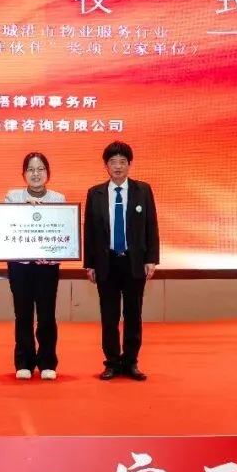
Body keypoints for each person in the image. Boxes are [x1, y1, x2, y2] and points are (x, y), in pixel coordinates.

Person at [83, 141, 159, 381]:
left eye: (122, 162)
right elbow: (89, 231)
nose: (118, 166)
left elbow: (151, 226)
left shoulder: (142, 190)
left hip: (133, 262)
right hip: (106, 263)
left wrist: (151, 259)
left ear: (129, 164)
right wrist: (89, 263)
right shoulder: (95, 193)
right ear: (106, 166)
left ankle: (131, 362)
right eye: (113, 162)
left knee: (133, 315)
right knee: (109, 316)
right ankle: (112, 363)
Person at [4, 152, 65, 380]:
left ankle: (47, 361)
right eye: (31, 169)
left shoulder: (58, 199)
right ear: (24, 174)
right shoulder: (13, 197)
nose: (36, 174)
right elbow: (6, 226)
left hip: (47, 266)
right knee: (23, 314)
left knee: (47, 315)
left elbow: (64, 233)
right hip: (20, 266)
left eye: (40, 169)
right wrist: (24, 208)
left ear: (48, 173)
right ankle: (24, 362)